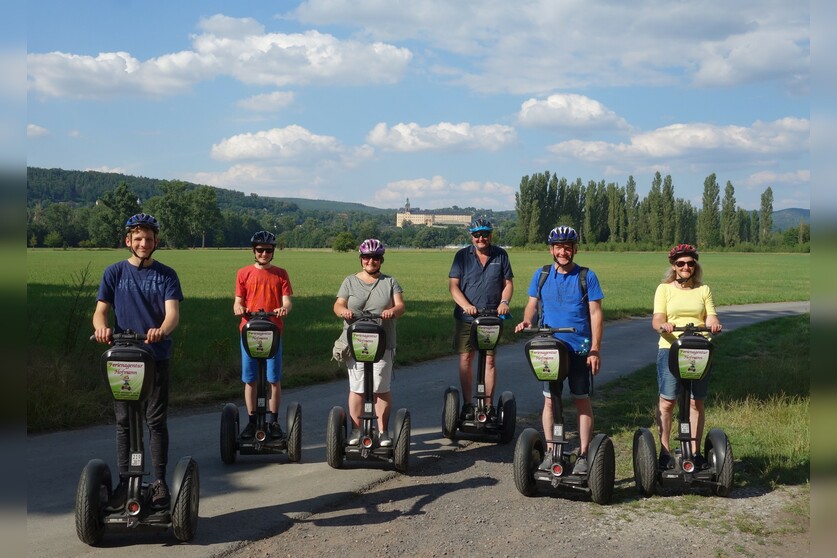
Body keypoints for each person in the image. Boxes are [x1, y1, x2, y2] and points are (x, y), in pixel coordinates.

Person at [93, 213, 183, 509]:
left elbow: (172, 315)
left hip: (154, 356)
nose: (144, 243)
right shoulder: (114, 273)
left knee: (155, 421)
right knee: (123, 421)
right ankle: (124, 481)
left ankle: (158, 481)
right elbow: (100, 311)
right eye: (138, 238)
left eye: (149, 238)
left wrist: (161, 330)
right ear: (128, 241)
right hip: (123, 357)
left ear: (156, 241)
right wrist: (101, 328)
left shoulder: (166, 275)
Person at [514, 225, 603, 475]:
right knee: (550, 402)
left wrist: (595, 349)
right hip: (550, 348)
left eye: (568, 247)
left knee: (580, 399)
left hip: (578, 348)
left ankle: (584, 454)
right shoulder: (541, 274)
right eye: (558, 247)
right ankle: (553, 451)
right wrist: (527, 321)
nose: (563, 252)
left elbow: (596, 314)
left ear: (575, 249)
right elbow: (532, 305)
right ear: (551, 250)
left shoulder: (586, 276)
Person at [651, 244, 723, 470]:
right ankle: (664, 451)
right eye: (681, 263)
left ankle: (694, 451)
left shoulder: (704, 290)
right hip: (670, 348)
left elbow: (711, 316)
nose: (686, 267)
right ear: (674, 266)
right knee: (668, 401)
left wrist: (712, 324)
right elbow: (656, 320)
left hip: (699, 350)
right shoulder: (664, 289)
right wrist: (664, 325)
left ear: (695, 266)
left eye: (690, 263)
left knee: (695, 401)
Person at [333, 239, 405, 447]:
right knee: (357, 387)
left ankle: (382, 431)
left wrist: (393, 311)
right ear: (361, 259)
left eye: (375, 257)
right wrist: (343, 311)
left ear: (381, 259)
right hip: (355, 342)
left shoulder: (390, 282)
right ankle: (356, 430)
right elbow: (338, 305)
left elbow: (400, 305)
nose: (370, 261)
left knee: (380, 387)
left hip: (383, 342)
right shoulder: (349, 281)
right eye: (366, 257)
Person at [448, 219, 514, 420]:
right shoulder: (462, 256)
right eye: (477, 235)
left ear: (491, 235)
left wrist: (504, 301)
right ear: (471, 236)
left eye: (484, 234)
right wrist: (465, 305)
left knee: (490, 360)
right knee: (466, 358)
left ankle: (488, 406)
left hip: (491, 317)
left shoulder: (500, 255)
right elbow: (454, 286)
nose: (481, 238)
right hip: (467, 317)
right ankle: (468, 404)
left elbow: (508, 283)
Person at [233, 231, 294, 439]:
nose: (264, 254)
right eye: (260, 250)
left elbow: (287, 301)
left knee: (273, 379)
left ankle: (273, 421)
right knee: (250, 379)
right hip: (249, 331)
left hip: (273, 330)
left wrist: (283, 308)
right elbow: (238, 300)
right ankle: (251, 421)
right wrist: (239, 307)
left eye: (268, 250)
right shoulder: (244, 273)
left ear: (273, 252)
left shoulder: (281, 274)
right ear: (254, 251)